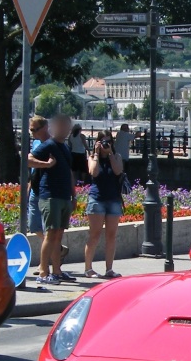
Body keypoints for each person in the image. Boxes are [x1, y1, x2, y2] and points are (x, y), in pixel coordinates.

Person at [30, 115, 76, 284]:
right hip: (50, 195)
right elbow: (28, 160)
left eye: (67, 126)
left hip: (64, 196)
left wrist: (74, 195)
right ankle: (43, 272)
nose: (64, 129)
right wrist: (47, 165)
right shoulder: (47, 145)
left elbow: (69, 173)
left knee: (58, 236)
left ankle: (57, 271)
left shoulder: (64, 147)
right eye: (61, 126)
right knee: (50, 235)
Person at [83, 131, 125, 279]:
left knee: (111, 235)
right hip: (97, 199)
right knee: (94, 235)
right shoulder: (92, 157)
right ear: (97, 143)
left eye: (109, 142)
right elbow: (93, 172)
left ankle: (109, 269)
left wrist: (110, 154)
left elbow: (118, 170)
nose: (106, 144)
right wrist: (96, 154)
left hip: (113, 199)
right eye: (103, 142)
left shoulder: (116, 156)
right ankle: (88, 268)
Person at [26, 115, 48, 234]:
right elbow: (33, 168)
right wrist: (29, 187)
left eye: (35, 129)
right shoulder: (35, 143)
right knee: (33, 226)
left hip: (47, 190)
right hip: (34, 189)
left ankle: (52, 248)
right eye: (31, 130)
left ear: (45, 128)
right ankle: (55, 248)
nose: (33, 132)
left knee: (47, 228)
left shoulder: (52, 144)